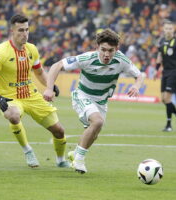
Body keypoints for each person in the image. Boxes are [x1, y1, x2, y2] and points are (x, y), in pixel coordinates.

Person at [43, 28, 144, 174]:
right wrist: (49, 88)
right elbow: (56, 65)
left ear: (117, 49)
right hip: (83, 96)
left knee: (93, 134)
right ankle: (79, 161)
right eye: (103, 49)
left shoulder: (122, 60)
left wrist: (136, 85)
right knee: (97, 122)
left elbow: (139, 75)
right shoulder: (87, 58)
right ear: (97, 47)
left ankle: (75, 154)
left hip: (101, 101)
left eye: (111, 50)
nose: (106, 54)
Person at [0, 14, 69, 168]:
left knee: (59, 131)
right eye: (20, 30)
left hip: (32, 96)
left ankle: (61, 161)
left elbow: (40, 73)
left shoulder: (32, 49)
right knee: (13, 115)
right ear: (12, 31)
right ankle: (27, 150)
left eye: (27, 30)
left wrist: (50, 85)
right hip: (10, 97)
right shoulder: (1, 52)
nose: (25, 34)